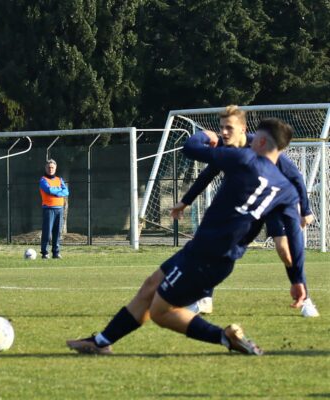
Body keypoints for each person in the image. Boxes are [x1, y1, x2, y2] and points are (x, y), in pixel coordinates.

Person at [67, 118, 306, 356]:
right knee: (150, 286)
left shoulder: (243, 159)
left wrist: (205, 136)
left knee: (160, 311)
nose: (250, 141)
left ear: (262, 141)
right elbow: (295, 236)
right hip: (208, 255)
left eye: (255, 138)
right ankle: (100, 341)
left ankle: (225, 337)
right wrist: (297, 279)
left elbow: (190, 148)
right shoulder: (286, 190)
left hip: (206, 257)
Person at [170, 105, 319, 318]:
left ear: (243, 129)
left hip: (274, 202)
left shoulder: (260, 146)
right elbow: (208, 174)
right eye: (221, 128)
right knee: (217, 245)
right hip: (246, 206)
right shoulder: (226, 149)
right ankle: (203, 298)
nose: (224, 132)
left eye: (229, 128)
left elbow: (294, 176)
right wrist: (185, 201)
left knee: (285, 250)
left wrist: (305, 209)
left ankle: (305, 299)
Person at [39, 159, 69, 259]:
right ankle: (45, 253)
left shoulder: (59, 180)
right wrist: (59, 191)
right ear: (45, 168)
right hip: (48, 209)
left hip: (59, 209)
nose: (50, 169)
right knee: (47, 232)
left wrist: (55, 192)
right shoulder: (43, 180)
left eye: (52, 167)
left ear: (55, 168)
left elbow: (66, 192)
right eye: (49, 167)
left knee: (57, 232)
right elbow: (48, 190)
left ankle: (56, 253)